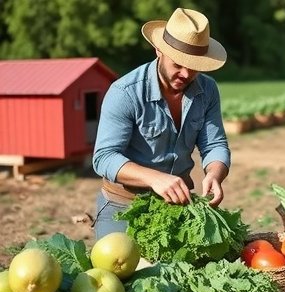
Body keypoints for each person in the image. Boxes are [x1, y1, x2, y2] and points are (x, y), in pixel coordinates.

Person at [92, 8, 231, 240]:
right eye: (178, 64)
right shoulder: (124, 93)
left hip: (177, 203)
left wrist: (215, 175)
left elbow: (215, 144)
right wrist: (154, 178)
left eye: (194, 66)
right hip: (124, 205)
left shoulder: (207, 90)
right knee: (121, 272)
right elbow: (104, 157)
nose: (186, 74)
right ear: (159, 50)